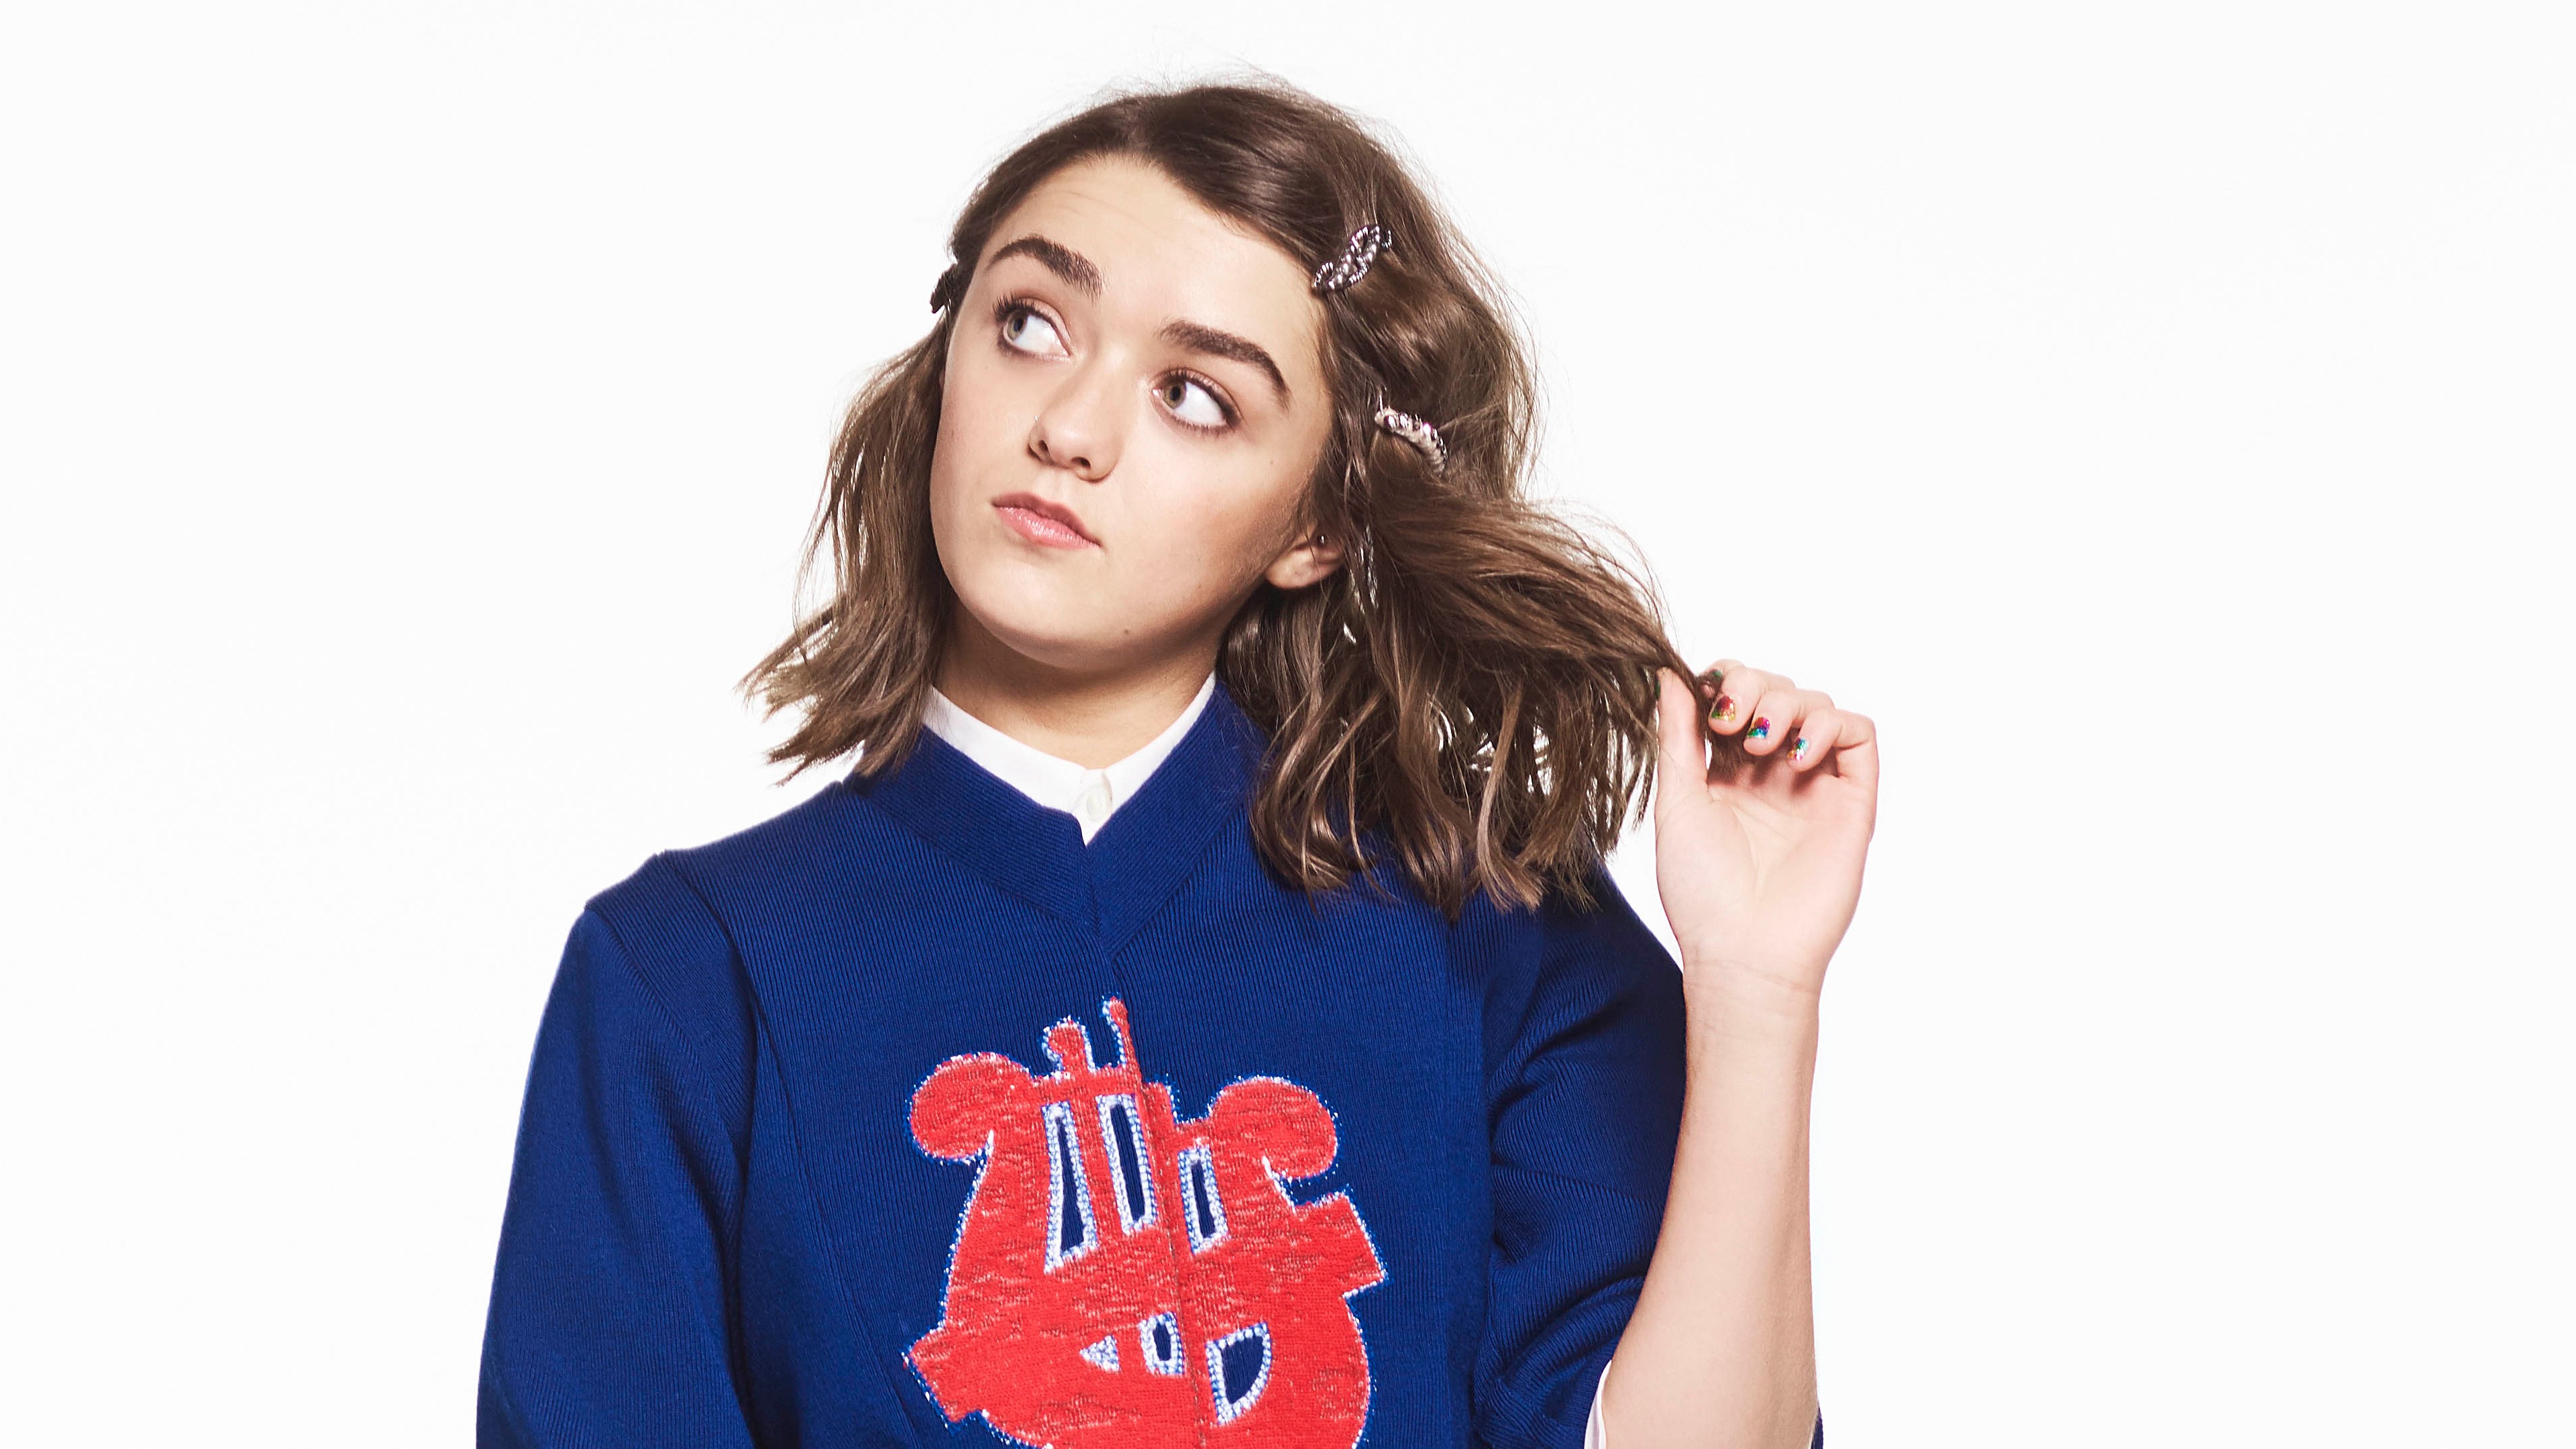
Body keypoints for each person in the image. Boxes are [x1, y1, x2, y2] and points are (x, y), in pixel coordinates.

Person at [478, 80, 1874, 1449]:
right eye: (1031, 323)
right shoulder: (689, 977)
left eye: (1195, 396)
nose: (1069, 431)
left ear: (1318, 526)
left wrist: (1758, 996)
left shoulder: (1497, 933)